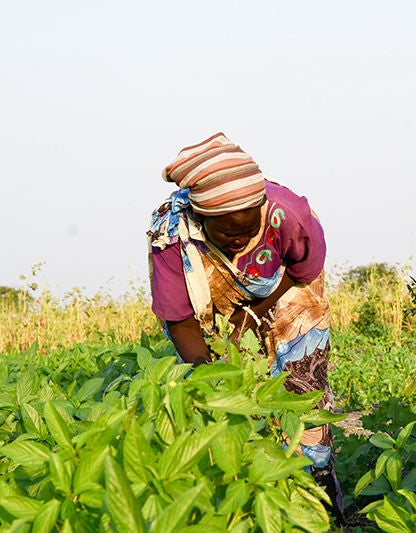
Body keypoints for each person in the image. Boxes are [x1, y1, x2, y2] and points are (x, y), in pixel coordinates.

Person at [147, 132, 344, 521]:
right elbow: (180, 319)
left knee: (302, 388)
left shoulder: (289, 214)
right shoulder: (172, 238)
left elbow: (303, 271)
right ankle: (260, 495)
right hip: (212, 306)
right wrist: (213, 375)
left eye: (246, 227)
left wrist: (253, 316)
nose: (238, 238)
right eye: (227, 231)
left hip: (288, 290)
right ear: (202, 217)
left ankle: (319, 498)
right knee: (237, 400)